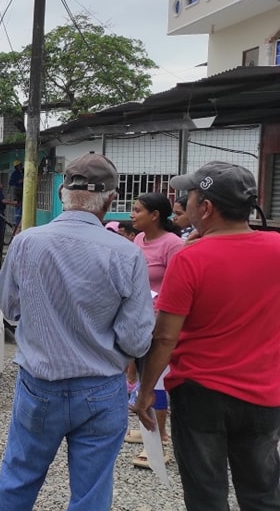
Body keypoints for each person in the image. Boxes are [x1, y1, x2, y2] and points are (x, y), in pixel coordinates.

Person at [0, 153, 154, 511]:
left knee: (18, 479)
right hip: (101, 388)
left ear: (62, 192)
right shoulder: (127, 254)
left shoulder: (27, 242)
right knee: (91, 493)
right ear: (110, 199)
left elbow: (10, 308)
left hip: (38, 384)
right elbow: (137, 339)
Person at [133, 162, 280, 510]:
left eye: (191, 195)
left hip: (201, 392)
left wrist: (145, 391)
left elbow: (165, 338)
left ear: (207, 207)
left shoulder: (190, 259)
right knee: (263, 494)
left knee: (206, 495)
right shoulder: (276, 247)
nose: (186, 202)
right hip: (264, 390)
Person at [125, 192, 183, 461]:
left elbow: (178, 286)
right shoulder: (139, 239)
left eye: (138, 210)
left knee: (157, 381)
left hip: (161, 323)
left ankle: (159, 441)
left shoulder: (173, 244)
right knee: (143, 377)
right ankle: (148, 429)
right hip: (141, 319)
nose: (132, 215)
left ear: (155, 215)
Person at [0, 180, 17, 245]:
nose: (2, 185)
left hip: (0, 211)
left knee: (1, 225)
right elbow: (3, 201)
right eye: (0, 184)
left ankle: (0, 240)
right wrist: (13, 203)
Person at [8, 160, 25, 224]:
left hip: (23, 190)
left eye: (21, 165)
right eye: (20, 165)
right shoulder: (14, 174)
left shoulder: (23, 171)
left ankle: (22, 220)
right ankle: (17, 221)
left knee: (23, 205)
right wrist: (18, 181)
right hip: (17, 191)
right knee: (18, 205)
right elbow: (10, 183)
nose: (21, 166)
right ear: (17, 166)